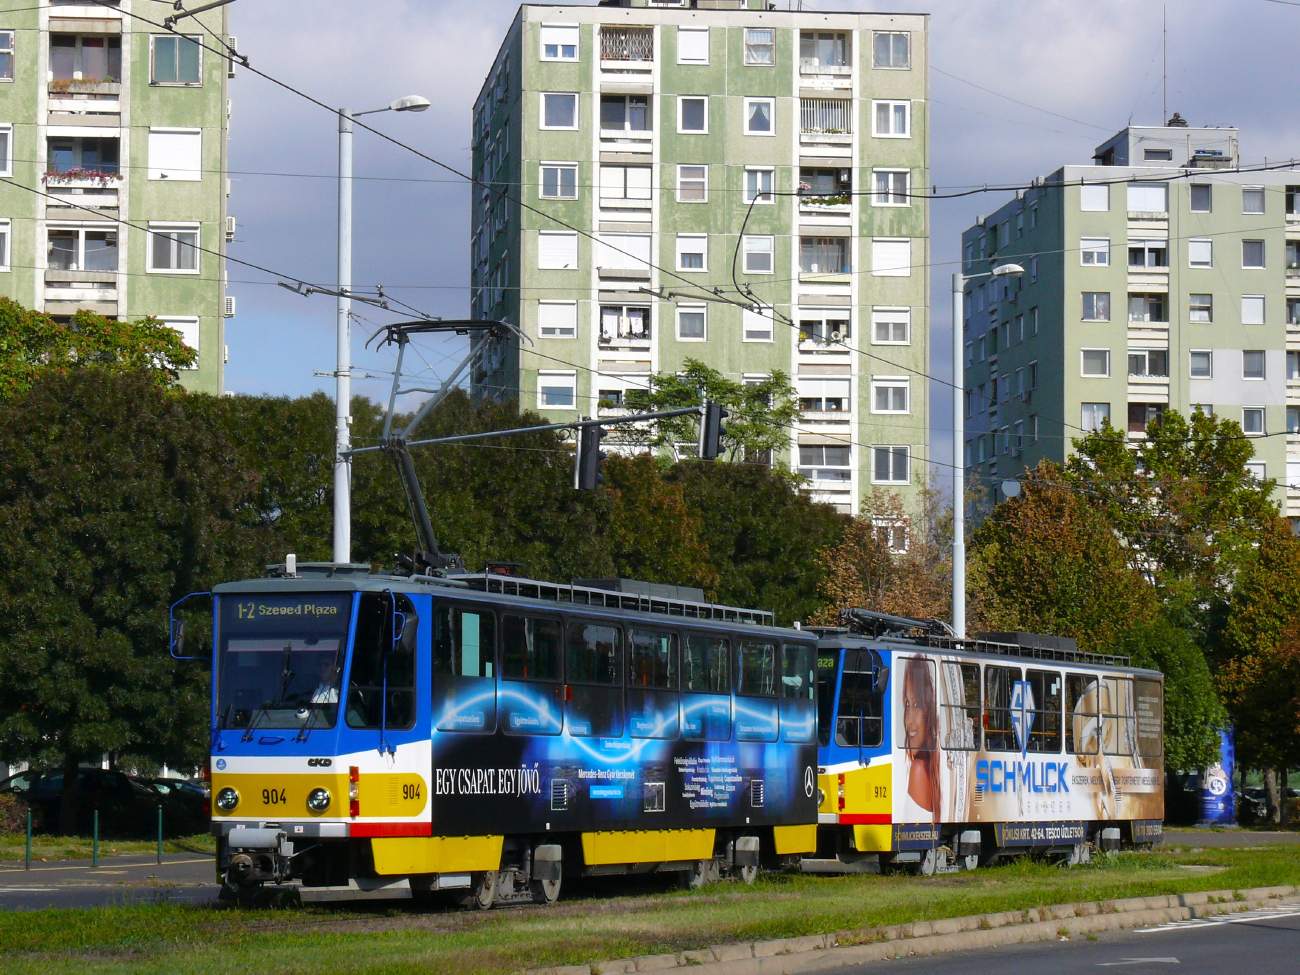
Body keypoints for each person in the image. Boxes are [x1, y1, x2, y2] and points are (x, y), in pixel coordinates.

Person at [900, 657, 941, 823]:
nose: (908, 720)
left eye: (917, 705)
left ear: (929, 710)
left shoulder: (918, 769)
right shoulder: (933, 770)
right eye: (907, 703)